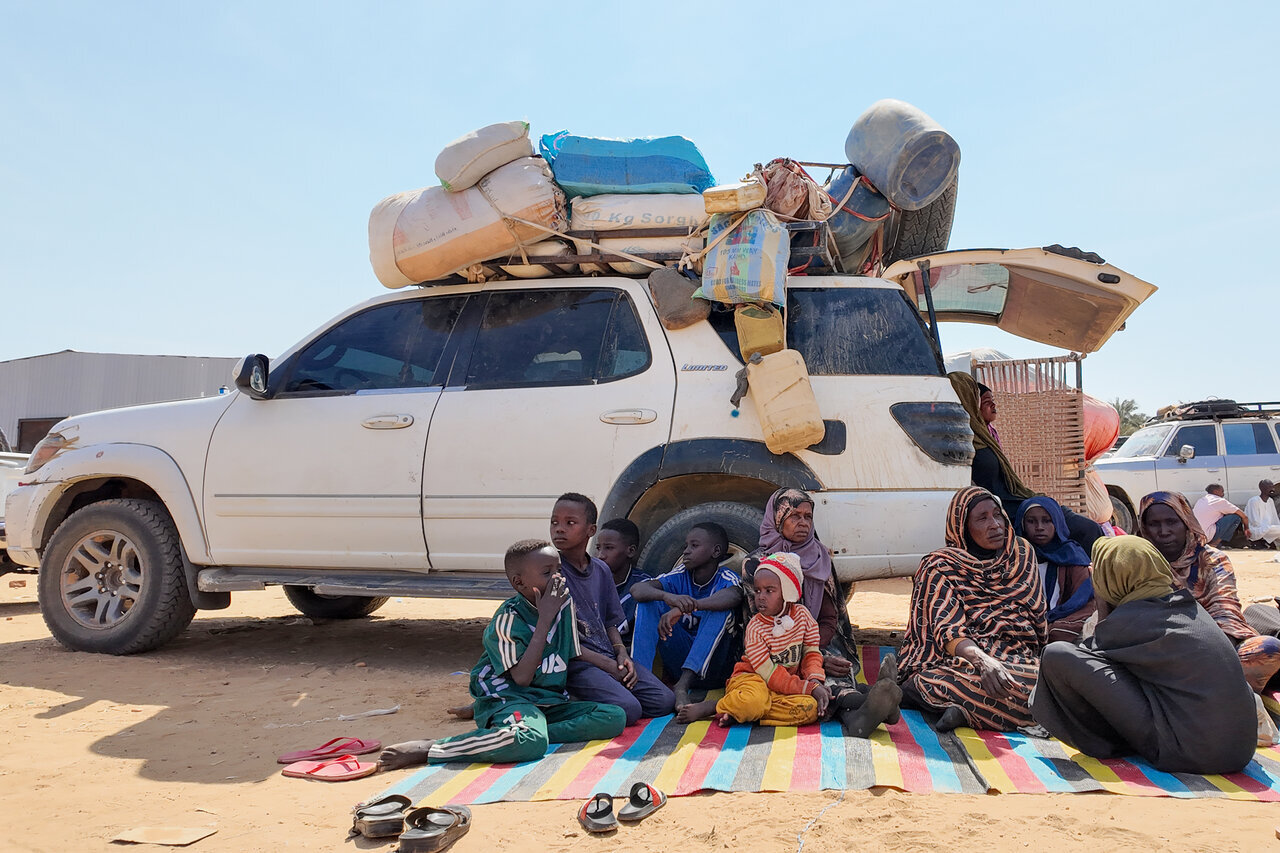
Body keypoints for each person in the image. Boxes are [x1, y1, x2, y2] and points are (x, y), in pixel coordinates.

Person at [376, 540, 627, 770]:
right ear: (519, 583)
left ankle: (523, 732)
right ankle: (434, 748)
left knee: (614, 717)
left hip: (548, 700)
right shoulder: (508, 619)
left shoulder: (564, 605)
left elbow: (573, 651)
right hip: (510, 697)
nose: (558, 578)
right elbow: (521, 679)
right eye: (547, 573)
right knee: (530, 743)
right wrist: (545, 618)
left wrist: (613, 664)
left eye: (559, 570)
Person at [1031, 536, 1257, 774]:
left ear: (1114, 576)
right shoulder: (1185, 606)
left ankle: (1106, 743)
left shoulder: (1133, 620)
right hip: (1239, 751)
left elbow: (1090, 655)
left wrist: (1102, 600)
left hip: (1193, 754)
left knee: (1057, 655)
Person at [897, 486, 1047, 732]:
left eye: (997, 515)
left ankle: (960, 709)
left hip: (1019, 659)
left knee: (1048, 681)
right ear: (962, 527)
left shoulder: (1021, 555)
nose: (995, 525)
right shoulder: (941, 566)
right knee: (946, 679)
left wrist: (1002, 663)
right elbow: (950, 632)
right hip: (964, 660)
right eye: (982, 518)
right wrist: (984, 662)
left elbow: (1036, 624)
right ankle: (951, 702)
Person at [1138, 491, 1280, 692]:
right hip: (1159, 654)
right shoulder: (1138, 563)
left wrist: (1200, 652)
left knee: (1267, 650)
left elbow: (1226, 611)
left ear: (1187, 522)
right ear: (1144, 527)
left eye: (1172, 522)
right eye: (1154, 524)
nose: (1164, 531)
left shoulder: (1212, 560)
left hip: (1215, 647)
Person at [948, 372, 1104, 553]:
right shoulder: (961, 443)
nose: (992, 405)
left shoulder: (983, 435)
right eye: (979, 398)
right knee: (1084, 530)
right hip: (1007, 510)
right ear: (966, 399)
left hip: (1018, 500)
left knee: (1085, 529)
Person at [553, 493, 675, 725]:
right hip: (575, 662)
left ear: (590, 530)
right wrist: (609, 666)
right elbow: (563, 641)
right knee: (629, 709)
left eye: (570, 523)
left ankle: (599, 690)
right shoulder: (553, 571)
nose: (559, 529)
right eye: (554, 522)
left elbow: (610, 622)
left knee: (662, 702)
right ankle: (569, 701)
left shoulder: (600, 570)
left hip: (607, 655)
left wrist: (621, 655)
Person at [674, 553, 828, 725]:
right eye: (757, 590)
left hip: (783, 687)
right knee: (755, 700)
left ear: (788, 592)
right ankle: (716, 706)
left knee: (810, 708)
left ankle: (743, 711)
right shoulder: (755, 627)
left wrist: (815, 681)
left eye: (769, 591)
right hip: (751, 680)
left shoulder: (803, 616)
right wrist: (808, 688)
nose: (760, 597)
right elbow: (769, 674)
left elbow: (812, 654)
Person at [630, 522, 743, 713]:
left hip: (714, 669)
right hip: (678, 662)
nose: (686, 552)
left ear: (715, 551)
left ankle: (682, 686)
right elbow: (638, 589)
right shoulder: (680, 575)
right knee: (647, 602)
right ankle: (641, 681)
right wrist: (667, 597)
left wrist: (685, 608)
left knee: (721, 609)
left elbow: (734, 596)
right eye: (686, 546)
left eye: (694, 546)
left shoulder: (725, 577)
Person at [755, 488, 856, 677]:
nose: (803, 523)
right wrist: (807, 657)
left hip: (816, 642)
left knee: (836, 676)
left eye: (808, 517)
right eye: (794, 516)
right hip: (769, 649)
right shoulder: (757, 563)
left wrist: (815, 652)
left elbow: (828, 619)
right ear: (777, 519)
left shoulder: (820, 559)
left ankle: (857, 700)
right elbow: (758, 622)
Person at [1013, 496, 1096, 642]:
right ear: (1022, 524)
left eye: (1047, 520)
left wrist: (1053, 620)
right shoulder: (1015, 556)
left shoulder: (1072, 556)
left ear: (1057, 522)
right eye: (1031, 521)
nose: (1039, 527)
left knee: (1062, 633)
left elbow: (1083, 599)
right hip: (1025, 621)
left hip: (1063, 620)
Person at [595, 518, 652, 648]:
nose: (600, 555)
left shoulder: (645, 585)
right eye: (598, 548)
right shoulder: (590, 582)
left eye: (609, 548)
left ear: (630, 551)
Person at [1245, 480, 1280, 548]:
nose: (1272, 489)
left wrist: (1275, 528)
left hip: (1269, 529)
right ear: (1262, 488)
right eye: (1269, 487)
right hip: (1257, 529)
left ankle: (1268, 541)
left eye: (1272, 487)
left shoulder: (1270, 501)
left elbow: (1274, 518)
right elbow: (1254, 521)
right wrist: (1269, 528)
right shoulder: (1254, 501)